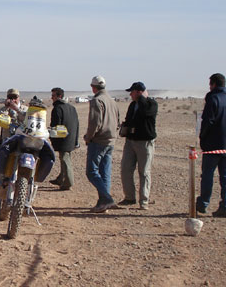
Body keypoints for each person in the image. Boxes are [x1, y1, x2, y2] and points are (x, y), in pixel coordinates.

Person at [196, 73, 226, 218]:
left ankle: (203, 204)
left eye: (210, 84)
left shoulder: (213, 99)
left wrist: (203, 138)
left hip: (213, 146)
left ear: (214, 84)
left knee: (207, 175)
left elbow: (207, 121)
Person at [83, 75, 120, 213]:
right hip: (110, 140)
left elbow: (95, 123)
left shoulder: (97, 100)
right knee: (105, 173)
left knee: (92, 171)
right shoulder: (112, 101)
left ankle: (107, 199)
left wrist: (88, 137)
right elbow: (118, 122)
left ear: (93, 87)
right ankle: (103, 202)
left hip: (98, 141)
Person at [119, 82, 158, 210]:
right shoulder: (132, 105)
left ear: (139, 92)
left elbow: (146, 112)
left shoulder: (151, 104)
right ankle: (129, 197)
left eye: (132, 92)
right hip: (130, 141)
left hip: (144, 142)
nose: (130, 94)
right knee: (125, 169)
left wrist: (142, 98)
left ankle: (144, 201)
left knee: (144, 172)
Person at [48, 87, 79, 191]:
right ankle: (61, 178)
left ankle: (68, 183)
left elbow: (56, 125)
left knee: (65, 160)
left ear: (59, 96)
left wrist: (52, 136)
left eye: (53, 96)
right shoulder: (72, 108)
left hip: (62, 139)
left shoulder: (57, 108)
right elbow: (77, 124)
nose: (52, 98)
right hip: (71, 138)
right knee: (65, 159)